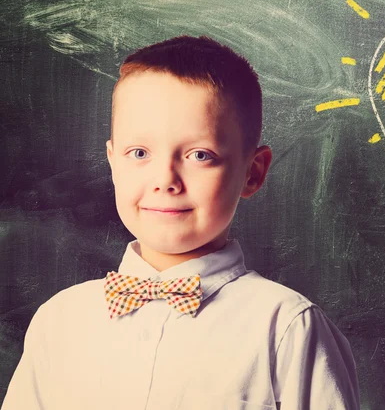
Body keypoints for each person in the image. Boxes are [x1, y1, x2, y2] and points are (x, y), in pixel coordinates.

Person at [2, 36, 360, 409]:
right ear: (112, 162)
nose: (165, 179)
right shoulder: (60, 320)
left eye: (200, 155)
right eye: (139, 152)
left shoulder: (286, 328)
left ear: (253, 172)